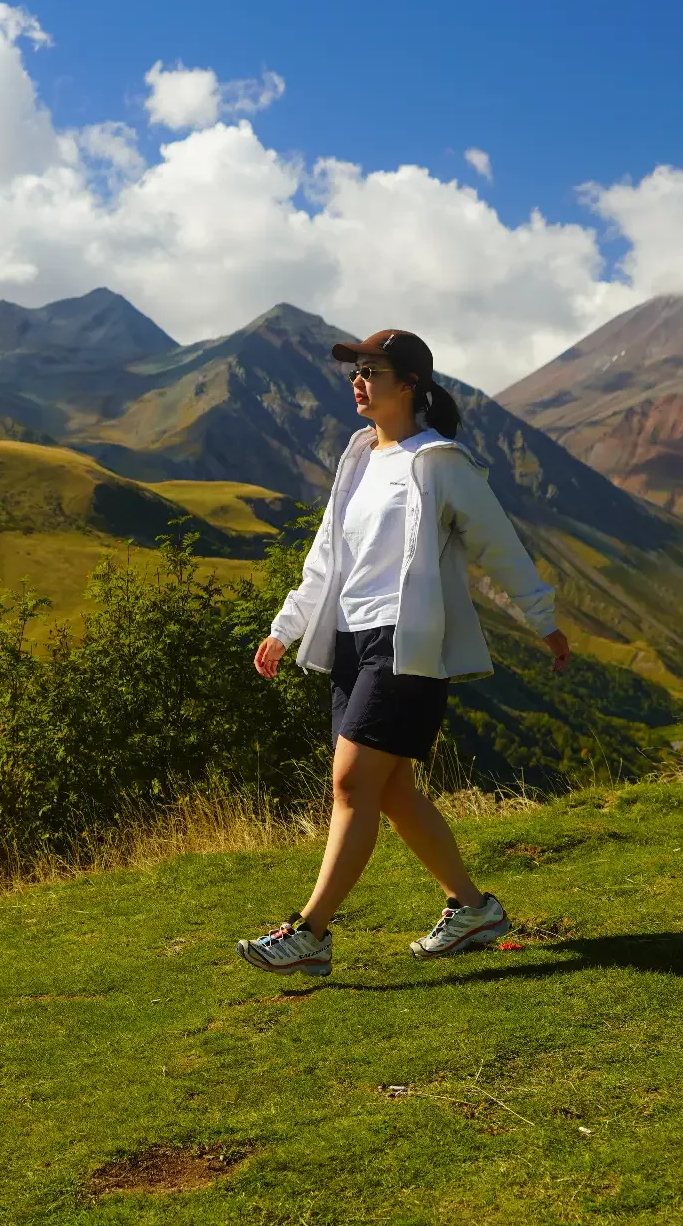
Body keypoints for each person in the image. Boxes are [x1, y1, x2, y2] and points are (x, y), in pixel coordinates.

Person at [236, 329, 571, 978]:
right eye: (356, 371)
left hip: (406, 644)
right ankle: (473, 909)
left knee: (351, 783)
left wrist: (543, 620)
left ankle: (310, 933)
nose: (358, 381)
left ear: (410, 385)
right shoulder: (358, 456)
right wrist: (287, 626)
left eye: (372, 371)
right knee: (392, 794)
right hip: (353, 642)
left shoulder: (440, 462)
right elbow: (326, 555)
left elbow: (497, 544)